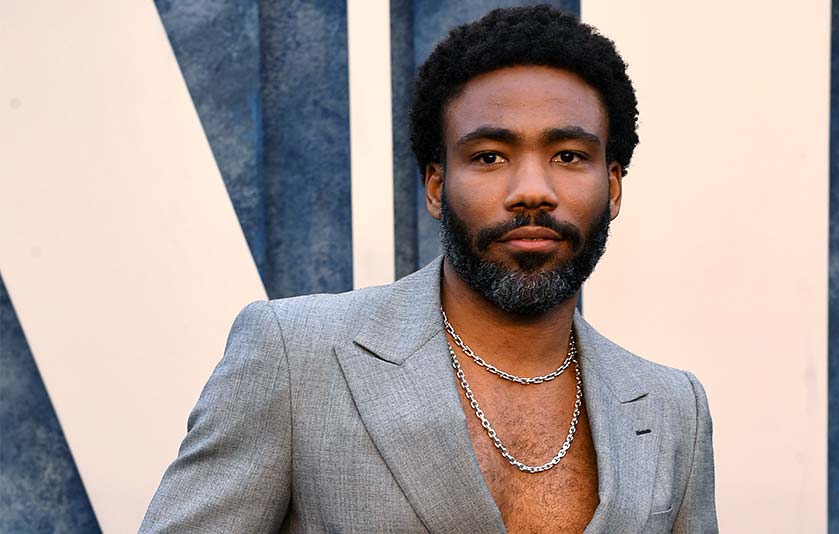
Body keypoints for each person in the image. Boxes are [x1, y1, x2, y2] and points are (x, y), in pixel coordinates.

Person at [140, 5, 717, 533]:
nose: (532, 192)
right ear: (437, 186)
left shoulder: (672, 408)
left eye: (568, 156)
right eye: (490, 157)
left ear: (612, 186)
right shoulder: (294, 358)